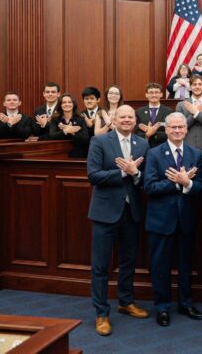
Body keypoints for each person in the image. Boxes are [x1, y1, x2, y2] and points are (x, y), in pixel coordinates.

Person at [86, 105, 150, 336]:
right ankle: (101, 313)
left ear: (135, 120)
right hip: (105, 213)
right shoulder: (100, 141)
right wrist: (124, 172)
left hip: (131, 212)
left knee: (128, 261)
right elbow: (93, 175)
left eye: (130, 117)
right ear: (114, 118)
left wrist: (136, 173)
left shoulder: (142, 144)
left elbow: (145, 179)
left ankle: (126, 301)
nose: (126, 120)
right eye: (122, 116)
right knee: (101, 266)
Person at [143, 112, 202, 326]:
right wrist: (177, 183)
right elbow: (149, 186)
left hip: (186, 219)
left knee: (185, 265)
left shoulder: (196, 154)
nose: (177, 131)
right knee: (160, 266)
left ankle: (185, 304)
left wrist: (188, 184)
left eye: (181, 127)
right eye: (173, 127)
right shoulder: (154, 153)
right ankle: (162, 307)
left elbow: (201, 187)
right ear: (166, 130)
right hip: (160, 221)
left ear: (186, 130)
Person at [176, 75, 202, 151]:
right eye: (194, 84)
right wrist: (196, 113)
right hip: (186, 146)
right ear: (190, 87)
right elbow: (180, 127)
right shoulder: (181, 105)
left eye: (200, 84)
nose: (197, 87)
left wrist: (196, 113)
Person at [48, 93, 90, 158]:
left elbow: (85, 139)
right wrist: (65, 131)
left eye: (69, 102)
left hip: (78, 154)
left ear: (73, 104)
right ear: (60, 105)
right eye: (64, 102)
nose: (67, 104)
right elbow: (51, 136)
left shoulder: (80, 119)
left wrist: (73, 132)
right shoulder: (55, 119)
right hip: (60, 154)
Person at [135, 83, 172, 148]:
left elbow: (171, 131)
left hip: (163, 147)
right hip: (144, 147)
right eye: (151, 92)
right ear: (146, 95)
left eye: (156, 92)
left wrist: (154, 132)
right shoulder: (139, 112)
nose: (154, 95)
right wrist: (147, 135)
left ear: (161, 94)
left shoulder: (169, 112)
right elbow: (135, 131)